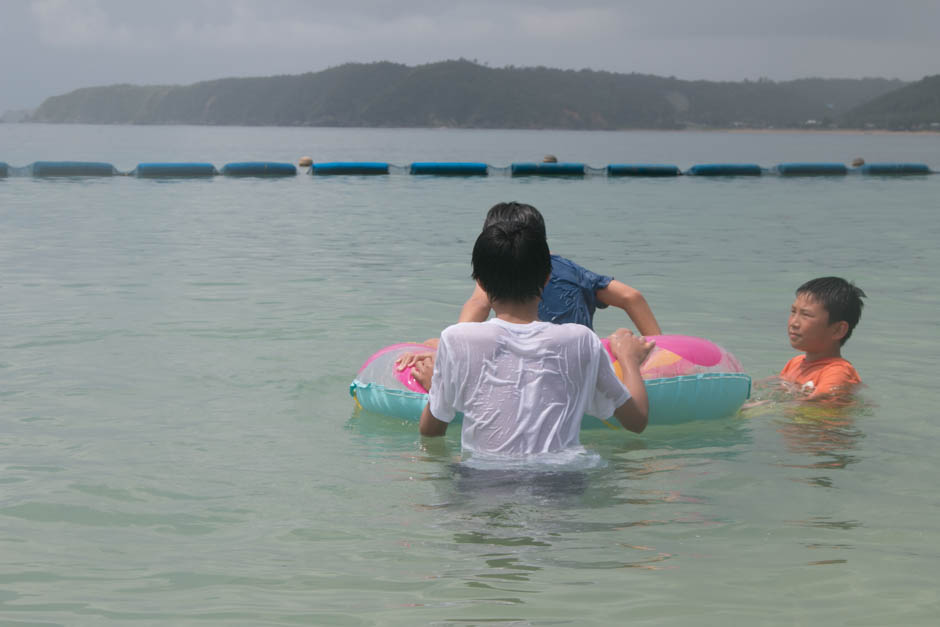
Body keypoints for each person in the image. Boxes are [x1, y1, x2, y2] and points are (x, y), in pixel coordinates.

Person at [418, 211, 654, 455]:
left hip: (482, 485)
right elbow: (637, 422)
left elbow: (431, 431)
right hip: (564, 484)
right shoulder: (583, 340)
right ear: (548, 276)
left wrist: (437, 389)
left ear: (481, 282)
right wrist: (629, 359)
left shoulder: (456, 339)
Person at [780, 276, 866, 399]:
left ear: (838, 330)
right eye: (793, 312)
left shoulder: (838, 373)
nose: (794, 323)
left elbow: (817, 405)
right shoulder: (794, 364)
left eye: (806, 314)